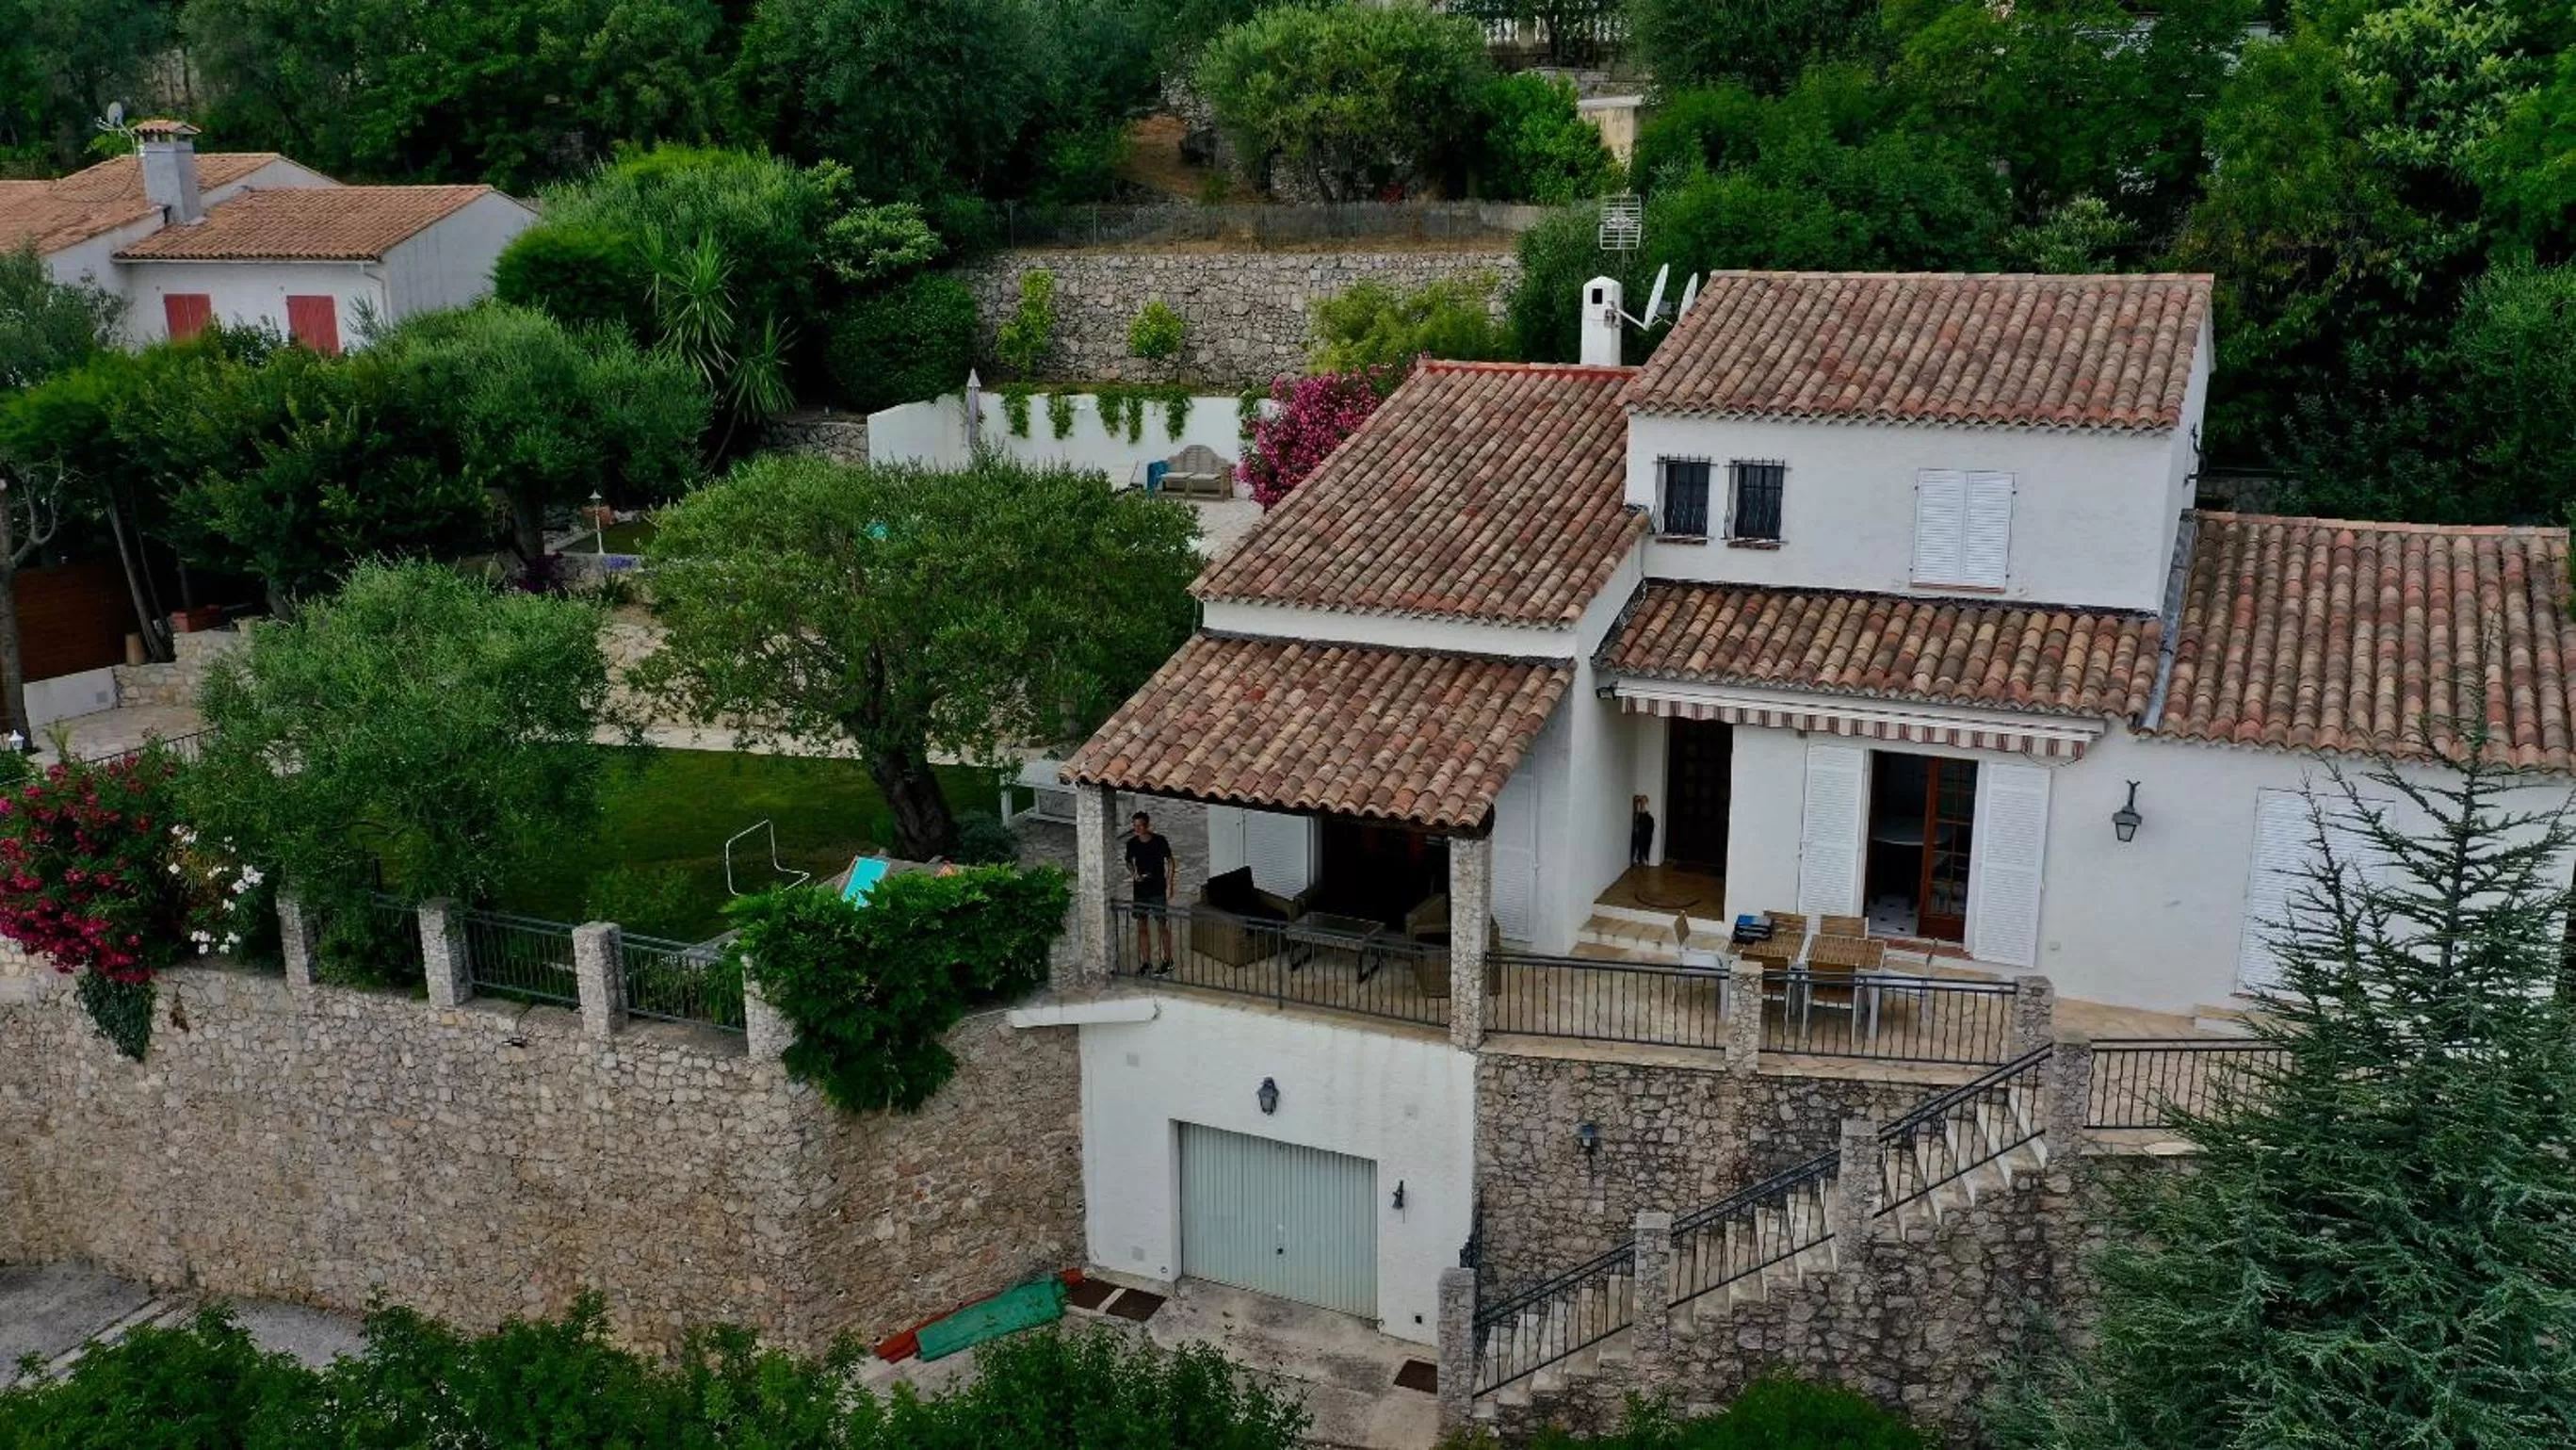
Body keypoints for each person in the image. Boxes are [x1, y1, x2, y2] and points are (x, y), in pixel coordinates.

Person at [1125, 810, 1177, 975]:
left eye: (1140, 826)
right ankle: (1146, 961)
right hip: (1140, 890)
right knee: (1142, 926)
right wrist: (1134, 874)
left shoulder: (1159, 841)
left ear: (1147, 825)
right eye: (1135, 826)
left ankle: (1168, 960)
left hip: (1157, 888)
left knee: (1162, 925)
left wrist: (1170, 884)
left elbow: (1170, 861)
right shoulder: (1132, 843)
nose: (1138, 829)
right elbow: (1128, 861)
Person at [1630, 794, 1656, 867]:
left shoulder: (1649, 818)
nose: (1642, 803)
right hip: (1640, 834)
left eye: (1644, 802)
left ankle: (1643, 858)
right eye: (1641, 802)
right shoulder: (1638, 815)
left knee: (1645, 841)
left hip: (1645, 834)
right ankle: (1639, 859)